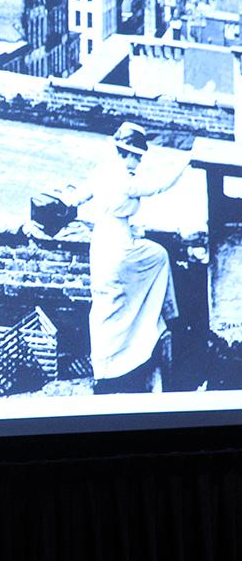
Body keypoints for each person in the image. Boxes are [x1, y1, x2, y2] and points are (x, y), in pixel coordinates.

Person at [75, 123, 189, 393]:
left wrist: (65, 199)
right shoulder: (125, 179)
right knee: (159, 256)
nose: (137, 162)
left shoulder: (102, 171)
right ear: (125, 152)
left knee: (107, 301)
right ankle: (167, 317)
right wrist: (184, 164)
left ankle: (104, 365)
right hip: (120, 248)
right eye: (136, 156)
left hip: (101, 245)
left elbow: (80, 194)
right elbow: (159, 186)